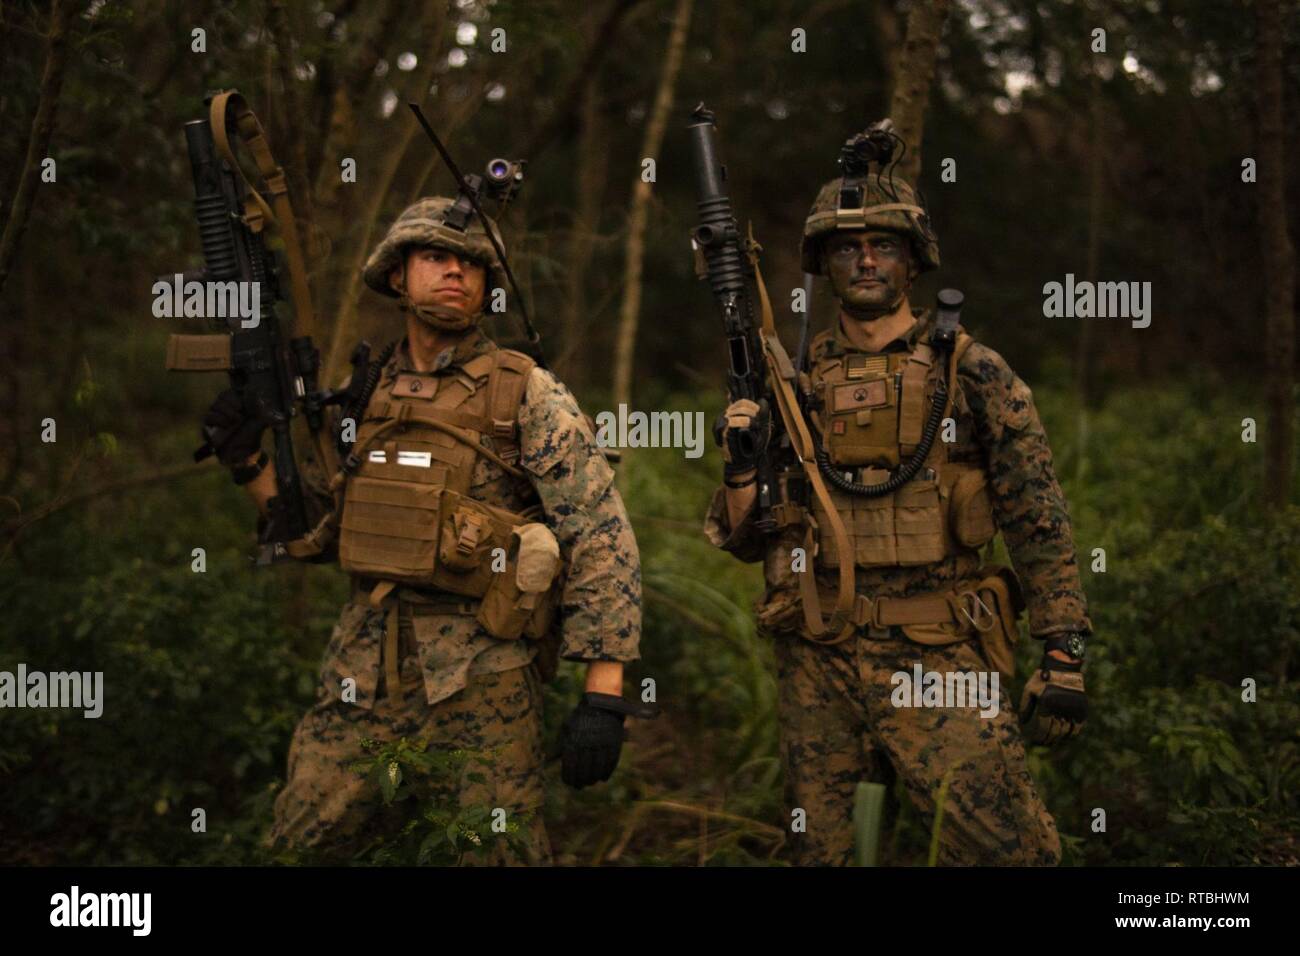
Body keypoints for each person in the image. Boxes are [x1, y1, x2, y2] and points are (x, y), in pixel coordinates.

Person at [201, 196, 643, 864]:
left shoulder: (525, 393)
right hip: (363, 671)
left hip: (484, 679)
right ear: (399, 274)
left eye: (470, 264)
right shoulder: (364, 390)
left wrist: (603, 696)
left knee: (498, 854)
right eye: (435, 257)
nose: (454, 273)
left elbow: (601, 535)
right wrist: (250, 461)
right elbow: (324, 528)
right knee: (297, 848)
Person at [704, 160, 1090, 866]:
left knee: (1008, 850)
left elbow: (1037, 514)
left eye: (884, 245)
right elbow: (740, 536)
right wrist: (742, 460)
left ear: (913, 259)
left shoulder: (970, 371)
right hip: (819, 656)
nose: (867, 260)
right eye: (849, 248)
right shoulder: (795, 387)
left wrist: (1064, 649)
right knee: (817, 852)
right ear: (825, 263)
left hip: (939, 653)